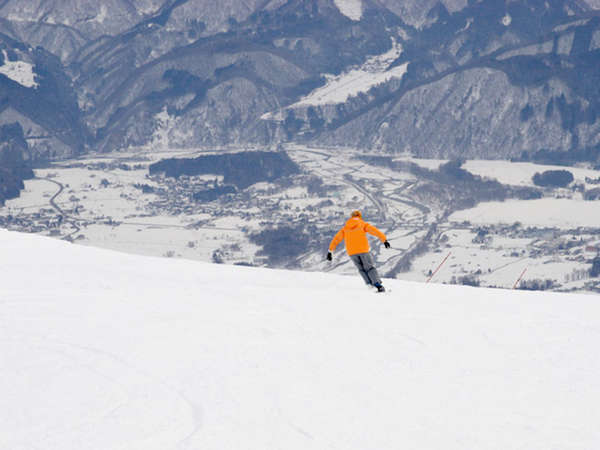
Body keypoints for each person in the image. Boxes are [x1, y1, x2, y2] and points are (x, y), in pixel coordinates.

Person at [327, 210, 391, 292]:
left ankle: (369, 285)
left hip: (352, 252)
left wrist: (330, 251)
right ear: (359, 216)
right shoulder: (362, 224)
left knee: (361, 269)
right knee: (369, 268)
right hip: (363, 250)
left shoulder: (345, 228)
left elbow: (336, 239)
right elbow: (375, 231)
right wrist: (384, 240)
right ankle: (377, 285)